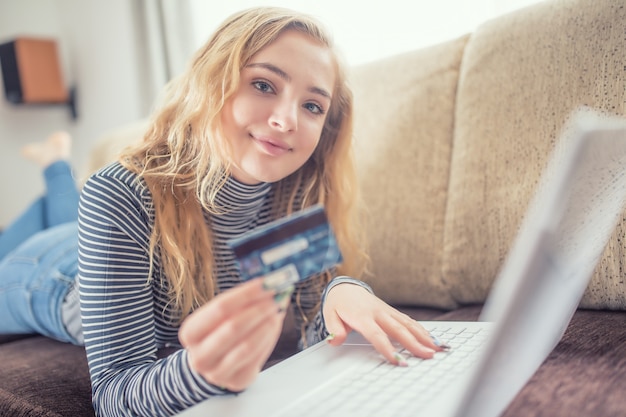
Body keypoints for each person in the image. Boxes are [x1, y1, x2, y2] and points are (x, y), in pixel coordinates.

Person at [0, 7, 447, 416]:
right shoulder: (118, 193)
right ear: (211, 83)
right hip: (43, 277)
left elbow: (316, 328)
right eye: (263, 84)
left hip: (87, 242)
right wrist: (201, 374)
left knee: (63, 216)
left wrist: (340, 293)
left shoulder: (294, 192)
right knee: (50, 225)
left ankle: (53, 161)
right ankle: (55, 164)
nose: (288, 120)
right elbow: (115, 395)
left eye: (312, 105)